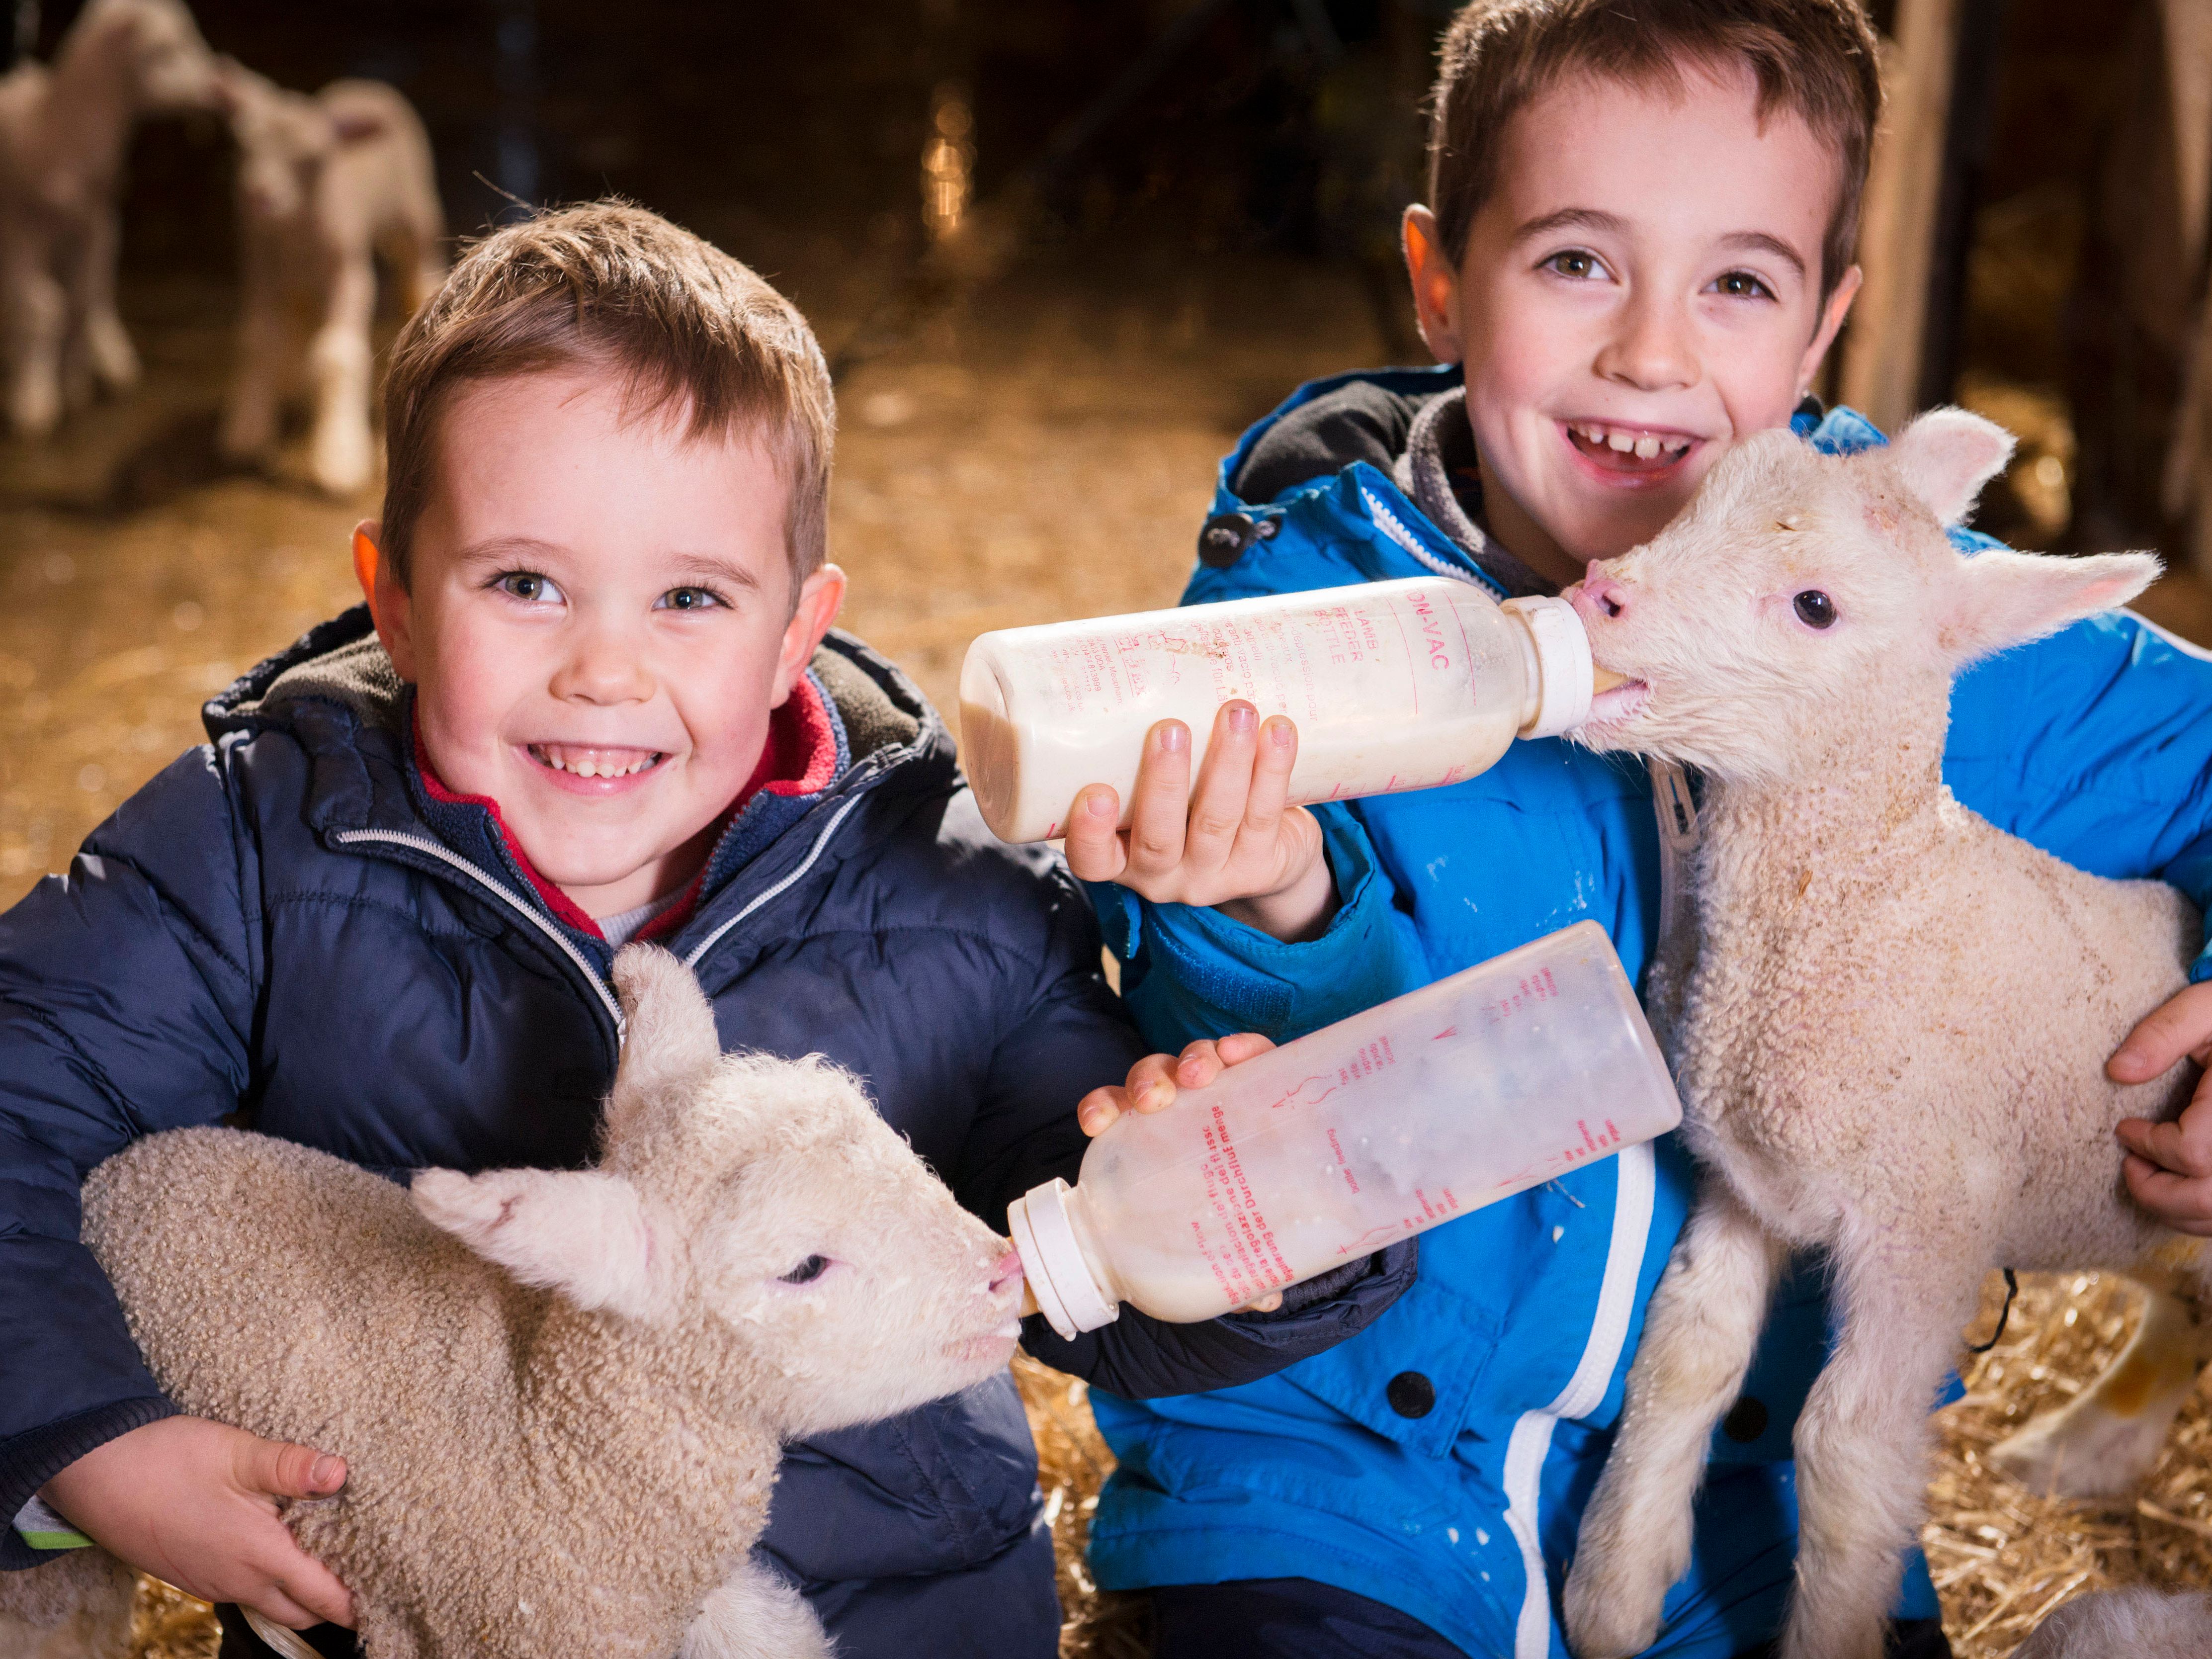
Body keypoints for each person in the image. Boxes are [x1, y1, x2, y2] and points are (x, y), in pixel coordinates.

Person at [0, 202, 1415, 1658]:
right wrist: (85, 1443)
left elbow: (1097, 1284)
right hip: (436, 1606)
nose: (606, 668)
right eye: (524, 584)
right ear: (399, 603)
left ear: (799, 629)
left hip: (890, 1605)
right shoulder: (259, 845)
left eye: (690, 597)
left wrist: (1246, 1222)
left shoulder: (949, 899)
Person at [1059, 2, 2212, 1656]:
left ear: (1823, 324)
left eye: (1736, 282)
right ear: (1439, 277)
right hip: (1334, 1492)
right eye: (1578, 263)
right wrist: (1260, 908)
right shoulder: (1300, 634)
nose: (1652, 354)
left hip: (1744, 1517)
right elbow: (1230, 1110)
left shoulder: (1883, 608)